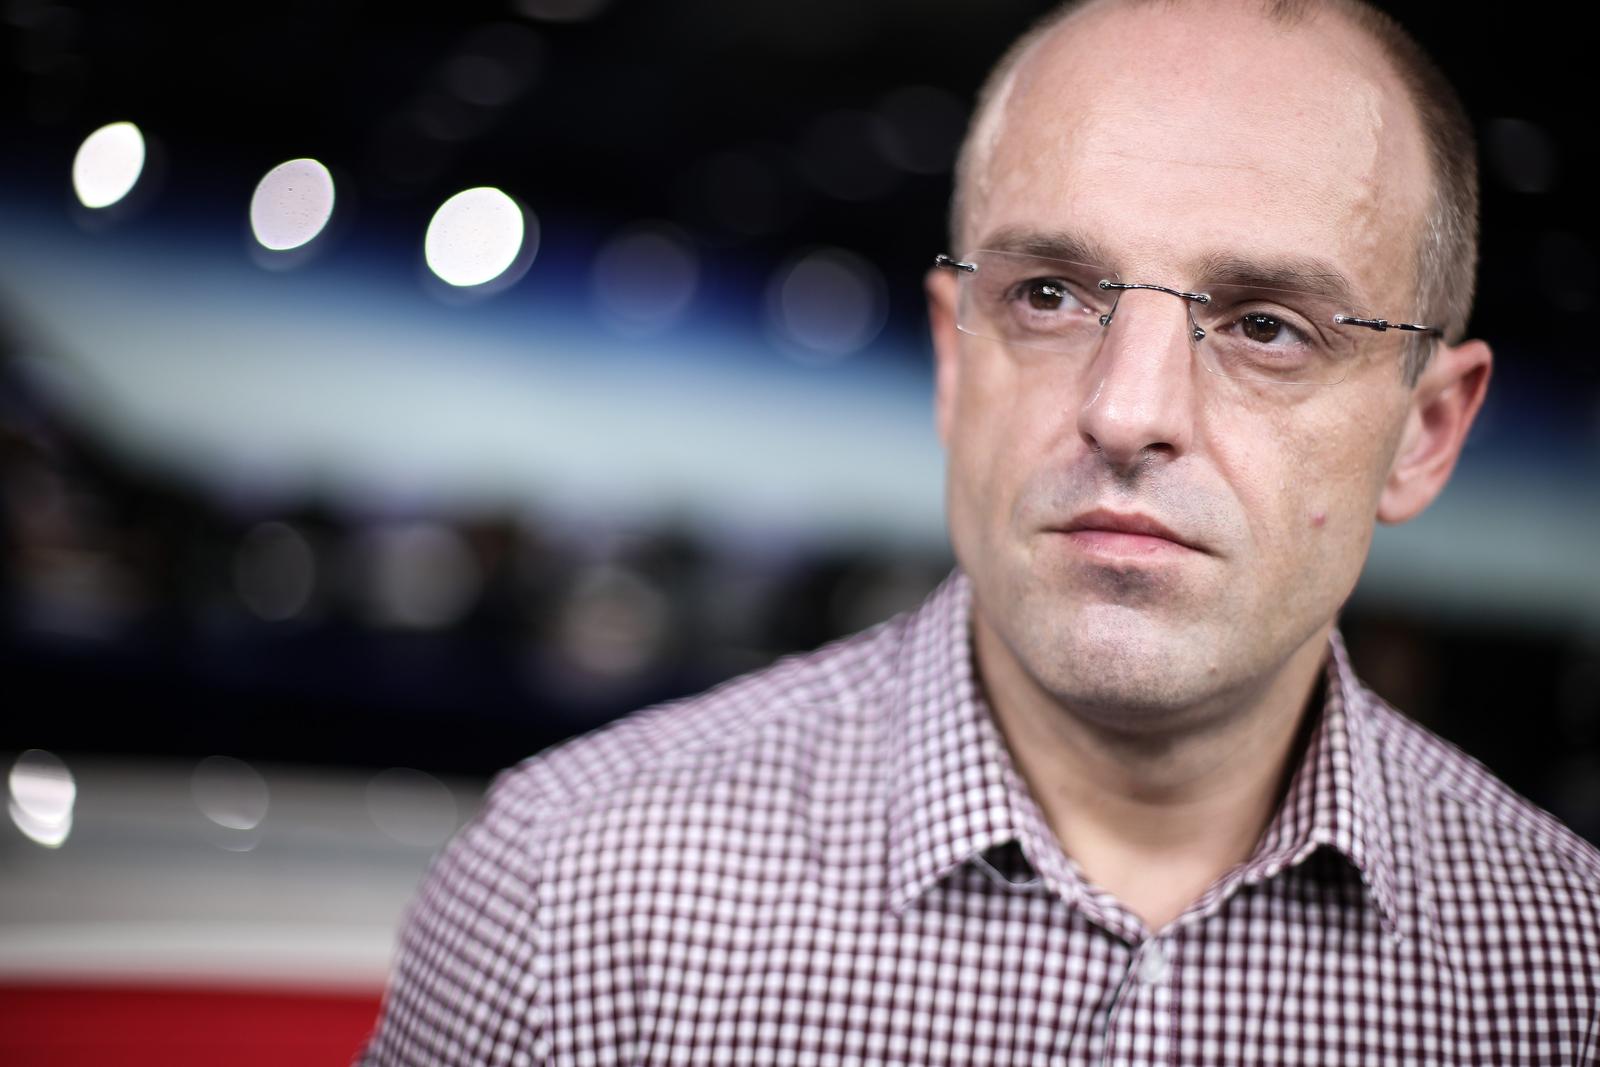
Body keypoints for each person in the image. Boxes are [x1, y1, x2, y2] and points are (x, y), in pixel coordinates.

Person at [361, 0, 1600, 1062]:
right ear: (955, 363)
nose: (1126, 411)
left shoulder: (1566, 968)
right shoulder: (571, 894)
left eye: (1268, 325)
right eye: (1049, 295)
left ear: (1425, 431)